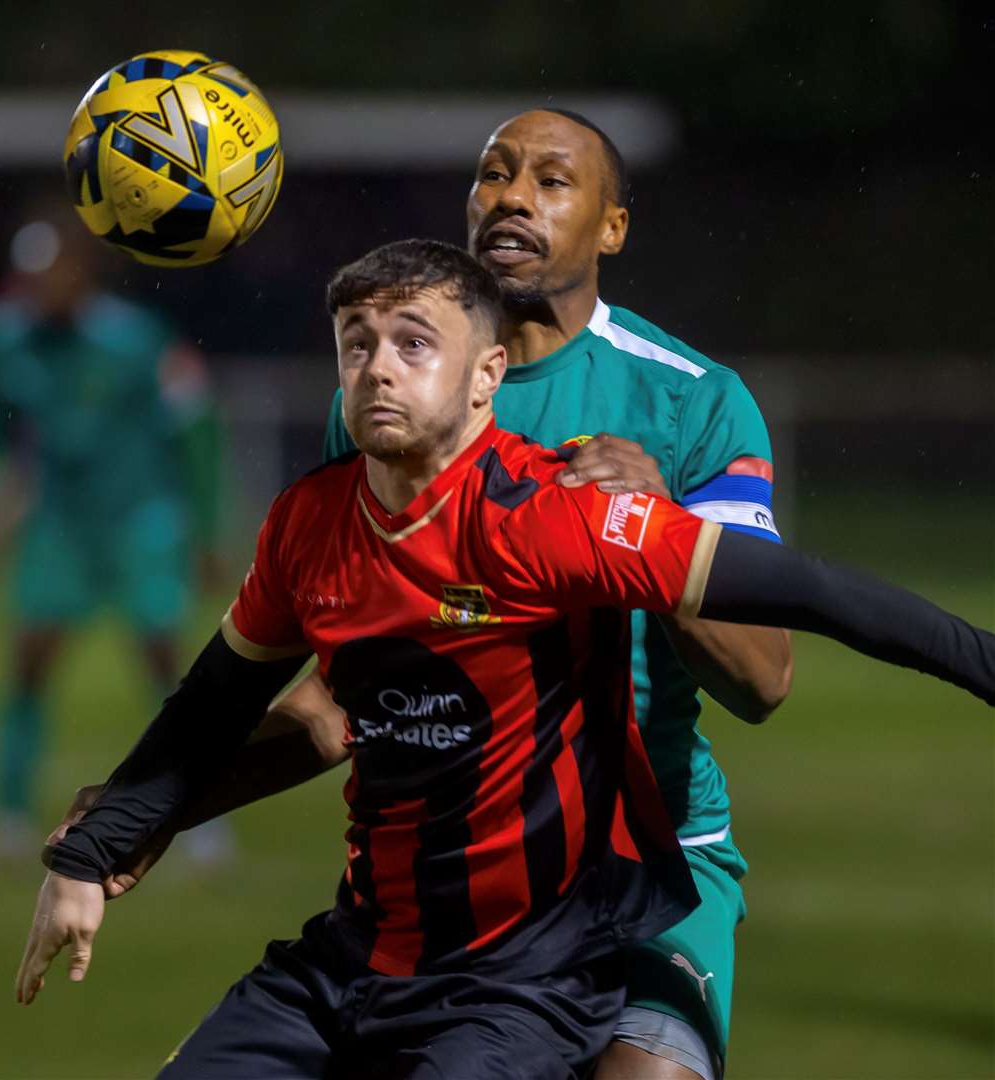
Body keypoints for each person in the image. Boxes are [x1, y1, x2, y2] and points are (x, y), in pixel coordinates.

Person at [17, 240, 994, 1080]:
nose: (377, 369)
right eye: (356, 345)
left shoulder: (551, 516)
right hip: (356, 957)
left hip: (519, 982)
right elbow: (216, 700)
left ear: (485, 377)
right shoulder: (308, 524)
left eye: (412, 344)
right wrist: (89, 855)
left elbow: (814, 593)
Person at [49, 109, 791, 1079]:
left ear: (612, 226)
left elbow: (763, 679)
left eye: (551, 180)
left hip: (650, 865)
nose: (512, 196)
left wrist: (661, 528)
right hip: (457, 885)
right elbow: (337, 701)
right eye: (492, 174)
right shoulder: (388, 398)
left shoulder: (692, 399)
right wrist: (158, 804)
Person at [0, 207, 228, 855]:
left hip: (141, 520)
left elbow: (194, 431)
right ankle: (10, 818)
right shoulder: (4, 337)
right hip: (59, 525)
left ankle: (203, 819)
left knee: (167, 669)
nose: (37, 287)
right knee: (27, 664)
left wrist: (208, 527)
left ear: (80, 273)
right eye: (27, 275)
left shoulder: (138, 337)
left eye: (49, 273)